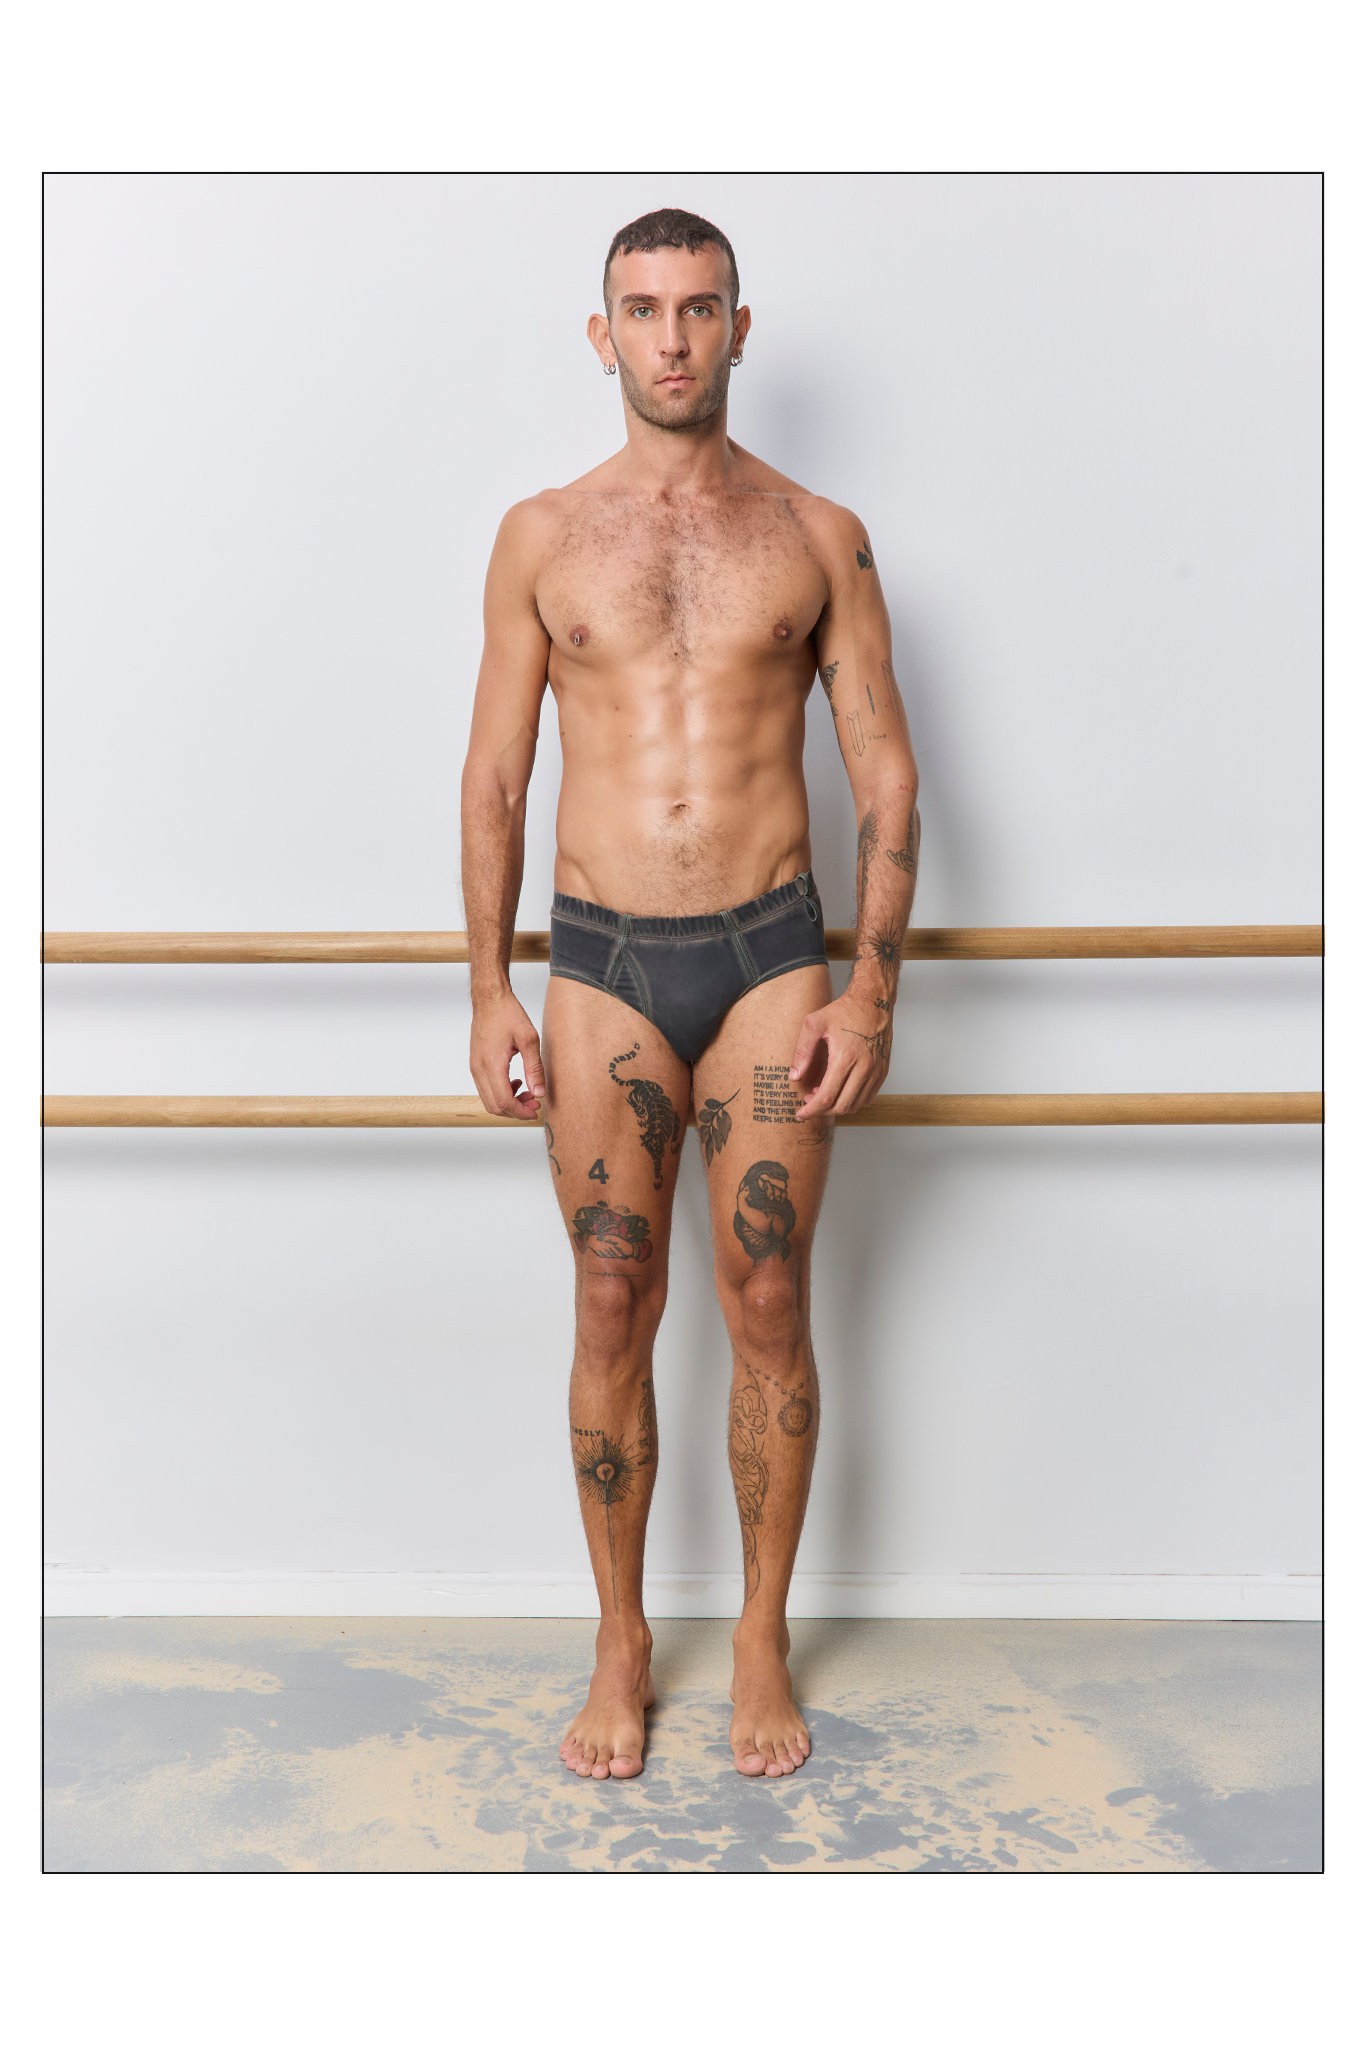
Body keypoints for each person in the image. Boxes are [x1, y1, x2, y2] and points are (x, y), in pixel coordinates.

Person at [460, 208, 920, 1782]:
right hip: (601, 960)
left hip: (773, 954)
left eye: (699, 308)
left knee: (769, 1294)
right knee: (612, 1296)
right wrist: (487, 992)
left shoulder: (819, 534)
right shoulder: (540, 534)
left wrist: (871, 994)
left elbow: (884, 770)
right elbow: (496, 778)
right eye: (644, 311)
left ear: (740, 327)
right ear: (604, 335)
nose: (672, 338)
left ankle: (765, 1633)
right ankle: (621, 1637)